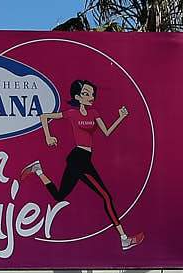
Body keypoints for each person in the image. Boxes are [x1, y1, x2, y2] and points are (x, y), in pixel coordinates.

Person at [24, 79, 143, 251]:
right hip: (78, 159)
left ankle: (38, 170)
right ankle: (124, 239)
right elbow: (44, 117)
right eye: (86, 94)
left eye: (92, 94)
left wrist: (121, 117)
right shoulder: (72, 113)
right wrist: (48, 136)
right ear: (77, 97)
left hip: (83, 158)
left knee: (59, 196)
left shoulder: (94, 113)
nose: (91, 97)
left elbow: (107, 132)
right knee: (106, 197)